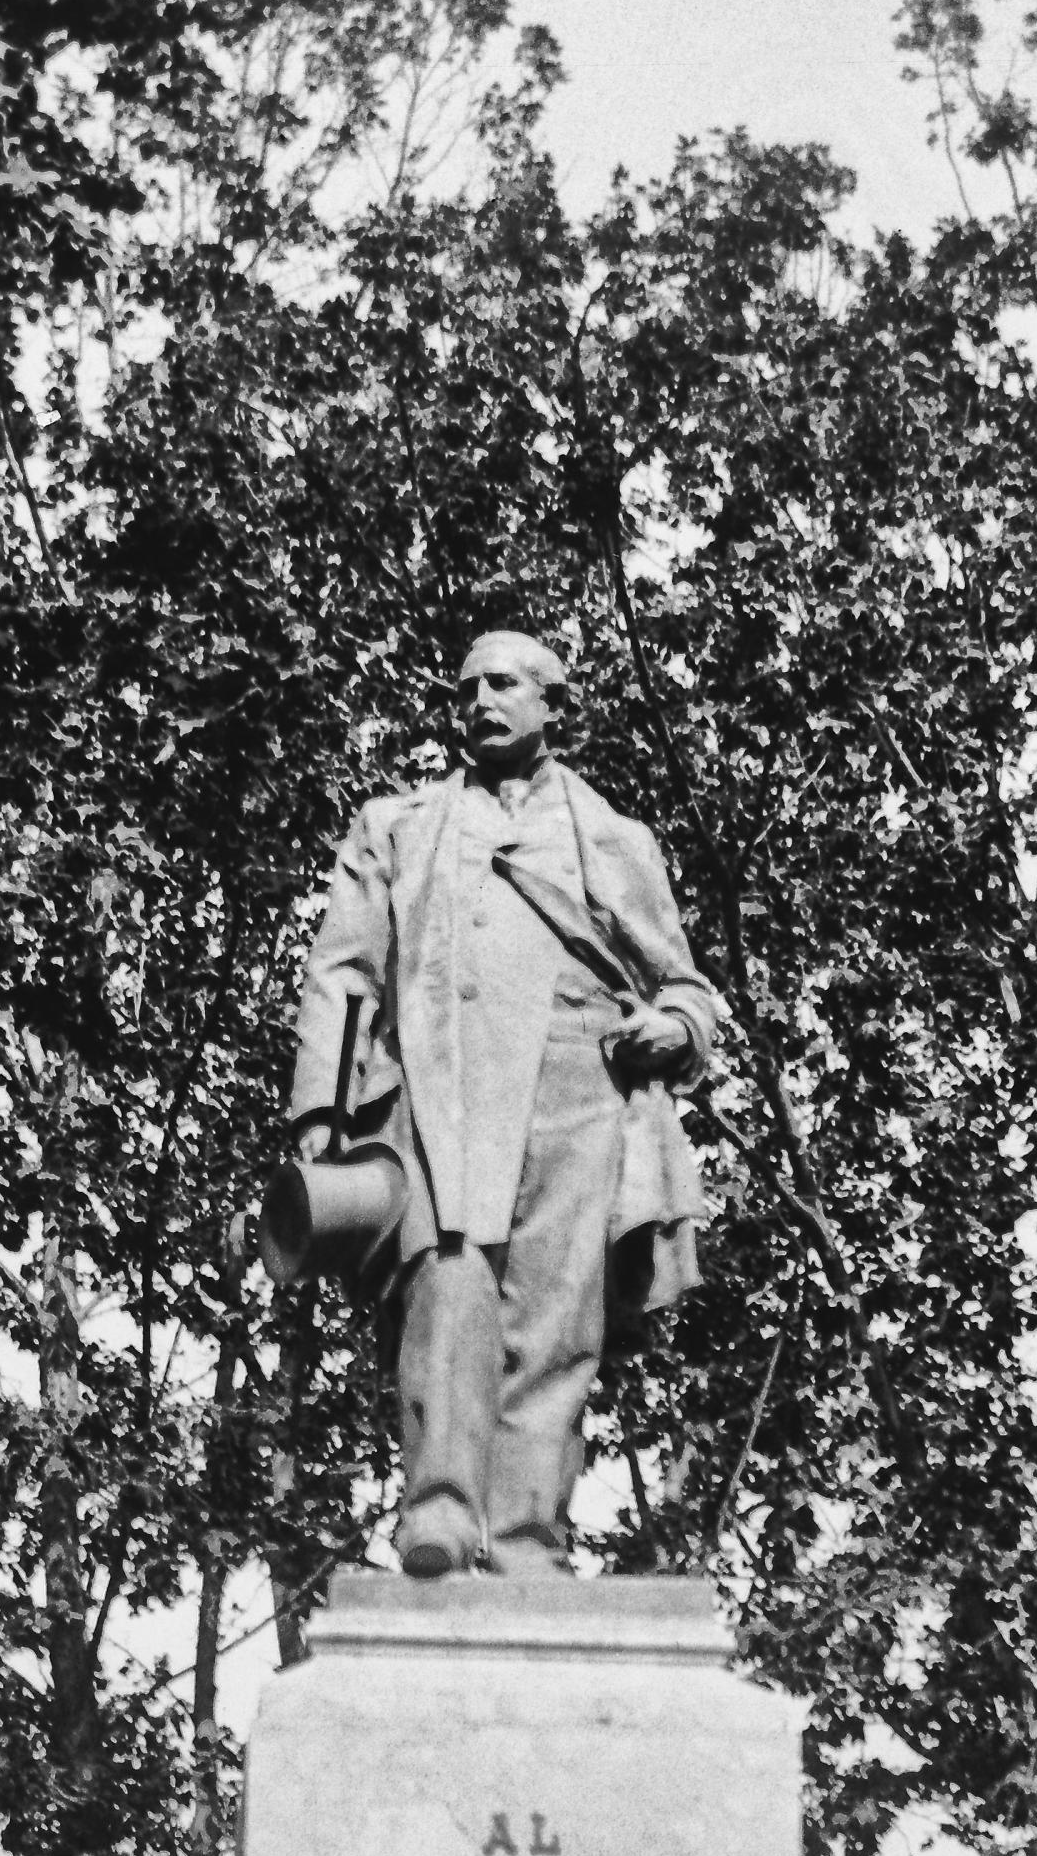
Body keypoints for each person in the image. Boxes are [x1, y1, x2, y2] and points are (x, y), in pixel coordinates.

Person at [285, 626, 729, 1578]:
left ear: (553, 707)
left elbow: (685, 987)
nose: (479, 703)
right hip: (440, 1089)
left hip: (580, 1091)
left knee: (557, 1317)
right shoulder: (399, 825)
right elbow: (344, 971)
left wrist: (674, 1029)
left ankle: (527, 1539)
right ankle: (439, 1517)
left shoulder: (615, 838)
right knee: (448, 1291)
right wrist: (320, 1115)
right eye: (466, 689)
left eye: (501, 685)